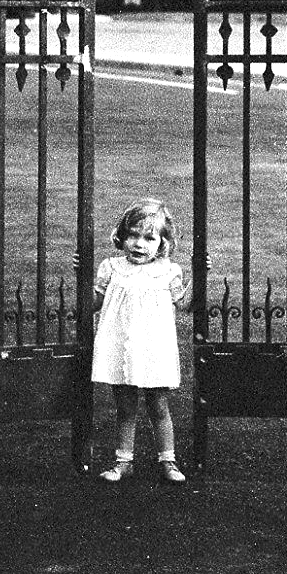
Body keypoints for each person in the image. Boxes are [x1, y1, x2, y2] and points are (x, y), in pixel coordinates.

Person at [89, 196, 190, 484]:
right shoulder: (111, 267)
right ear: (122, 236)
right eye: (133, 235)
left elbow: (184, 304)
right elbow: (93, 303)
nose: (139, 244)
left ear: (162, 243)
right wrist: (80, 276)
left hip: (153, 347)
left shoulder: (169, 270)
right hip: (122, 347)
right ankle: (123, 462)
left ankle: (168, 461)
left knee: (159, 405)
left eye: (149, 238)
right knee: (125, 407)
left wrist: (201, 276)